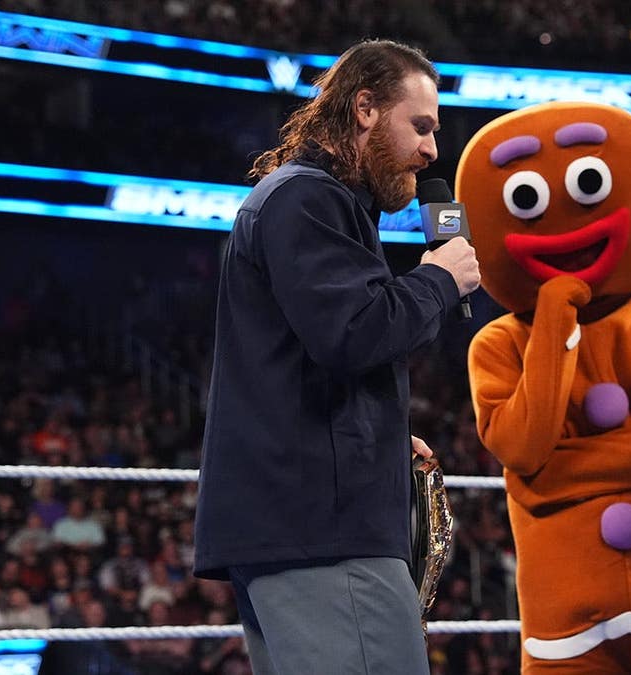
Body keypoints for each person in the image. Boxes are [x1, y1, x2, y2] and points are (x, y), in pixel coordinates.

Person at [193, 39, 480, 675]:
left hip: (304, 524)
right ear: (366, 109)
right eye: (422, 125)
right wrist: (438, 277)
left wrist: (375, 428)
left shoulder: (313, 200)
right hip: (323, 533)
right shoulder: (308, 198)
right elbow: (353, 333)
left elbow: (309, 353)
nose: (433, 149)